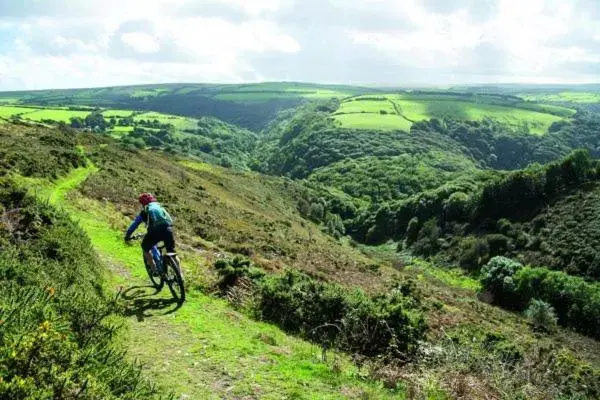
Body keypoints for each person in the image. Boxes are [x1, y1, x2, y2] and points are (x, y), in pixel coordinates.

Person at [124, 193, 176, 275]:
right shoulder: (159, 207)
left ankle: (154, 269)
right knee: (172, 253)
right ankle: (180, 275)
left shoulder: (145, 211)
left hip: (155, 231)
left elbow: (134, 225)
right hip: (168, 230)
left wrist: (127, 236)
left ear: (142, 203)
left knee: (145, 248)